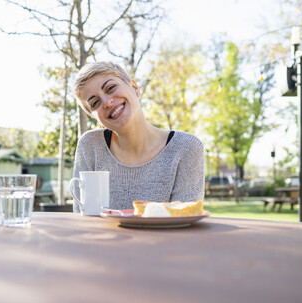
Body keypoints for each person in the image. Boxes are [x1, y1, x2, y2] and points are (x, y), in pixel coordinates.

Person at [71, 61, 205, 211]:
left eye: (110, 88)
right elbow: (83, 219)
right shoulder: (90, 146)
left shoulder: (186, 148)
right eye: (95, 103)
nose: (107, 102)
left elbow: (183, 221)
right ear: (96, 119)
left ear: (135, 88)